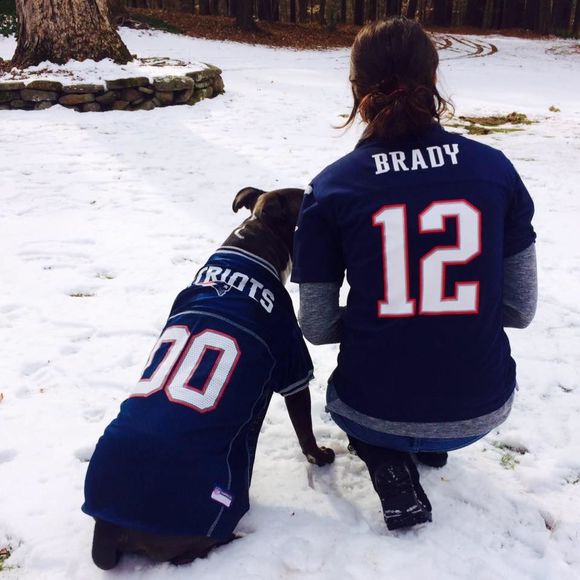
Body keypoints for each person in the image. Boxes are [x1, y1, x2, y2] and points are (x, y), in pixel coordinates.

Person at [291, 18, 537, 531]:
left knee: (360, 408)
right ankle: (429, 442)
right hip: (480, 409)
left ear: (357, 89)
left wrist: (384, 312)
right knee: (430, 408)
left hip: (373, 407)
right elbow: (520, 309)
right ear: (434, 78)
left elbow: (315, 325)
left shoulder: (330, 189)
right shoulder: (496, 170)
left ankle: (387, 458)